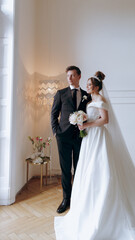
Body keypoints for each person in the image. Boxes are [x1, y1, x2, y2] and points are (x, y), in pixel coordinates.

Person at [54, 71, 135, 240]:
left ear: (96, 87)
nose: (87, 87)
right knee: (87, 169)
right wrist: (80, 120)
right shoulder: (89, 100)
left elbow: (105, 120)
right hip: (89, 138)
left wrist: (86, 123)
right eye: (87, 84)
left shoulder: (101, 100)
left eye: (90, 85)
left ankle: (107, 202)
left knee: (101, 168)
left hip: (99, 137)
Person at [51, 65, 91, 214]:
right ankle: (66, 199)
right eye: (68, 76)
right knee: (66, 170)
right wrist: (56, 132)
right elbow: (53, 114)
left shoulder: (87, 95)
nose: (70, 78)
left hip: (81, 138)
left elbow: (91, 114)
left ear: (79, 76)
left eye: (73, 75)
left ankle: (79, 199)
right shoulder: (60, 93)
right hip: (63, 138)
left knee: (79, 169)